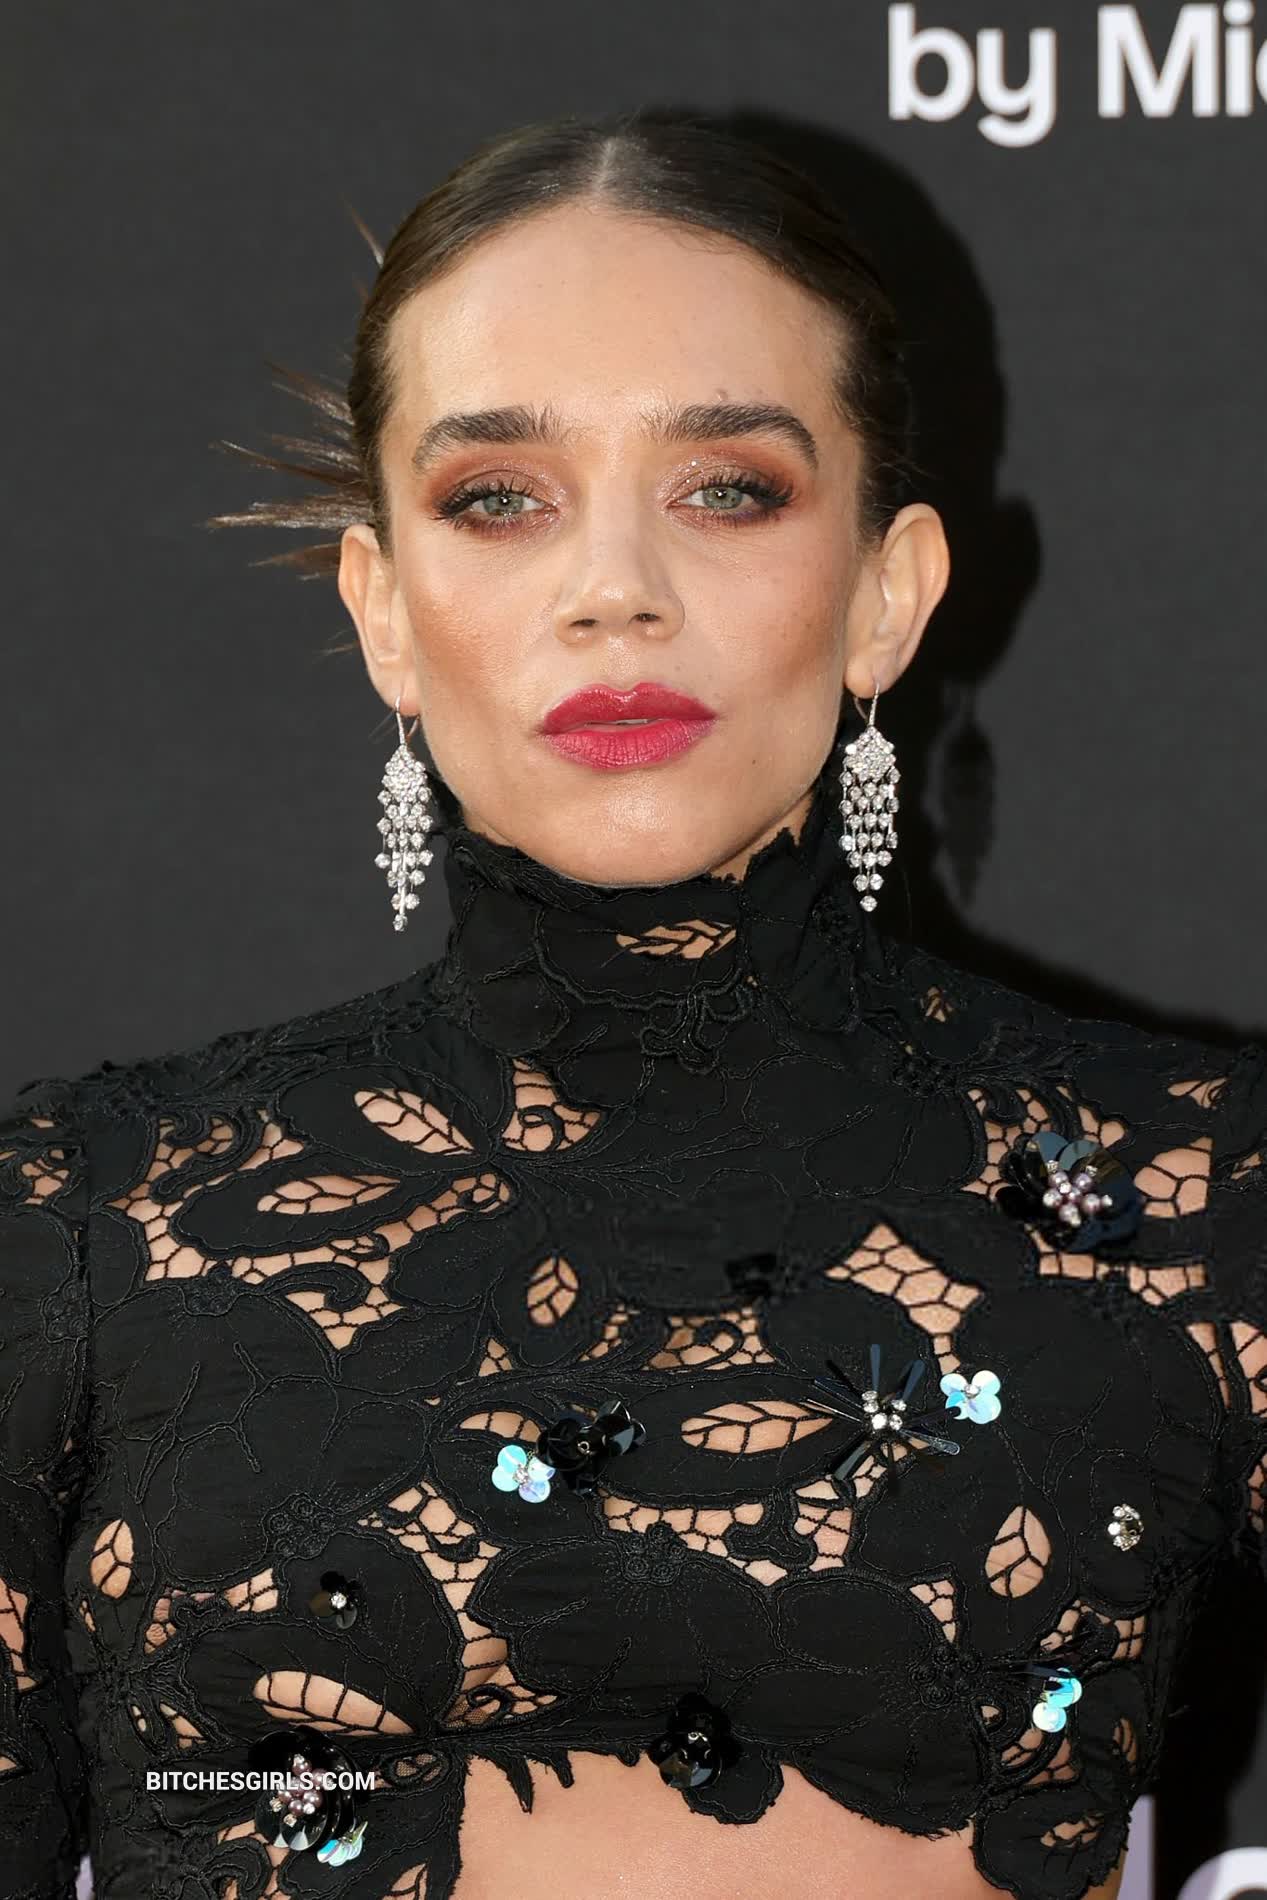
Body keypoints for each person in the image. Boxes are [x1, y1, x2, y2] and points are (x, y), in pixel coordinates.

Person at [1, 108, 1264, 1900]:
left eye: (726, 489)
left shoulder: (1197, 1202)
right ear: (383, 609)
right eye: (498, 499)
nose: (615, 594)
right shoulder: (80, 1226)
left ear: (887, 594)